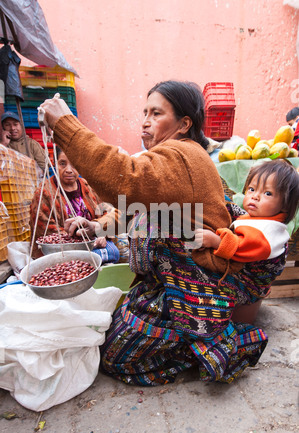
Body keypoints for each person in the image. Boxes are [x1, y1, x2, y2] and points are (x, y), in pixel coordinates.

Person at [39, 80, 287, 386]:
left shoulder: (182, 155)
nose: (145, 121)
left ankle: (206, 345)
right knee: (117, 330)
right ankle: (172, 319)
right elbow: (133, 203)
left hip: (203, 282)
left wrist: (66, 124)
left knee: (117, 358)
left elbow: (126, 179)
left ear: (184, 124)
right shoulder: (172, 158)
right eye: (144, 112)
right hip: (174, 278)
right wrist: (96, 226)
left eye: (156, 113)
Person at [195, 159, 299, 264]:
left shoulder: (267, 232)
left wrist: (215, 241)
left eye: (267, 193)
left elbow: (241, 248)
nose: (255, 196)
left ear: (285, 205)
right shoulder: (259, 217)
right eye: (252, 189)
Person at [30, 147, 120, 263]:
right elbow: (46, 234)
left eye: (74, 165)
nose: (69, 170)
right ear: (54, 163)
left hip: (94, 243)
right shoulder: (44, 193)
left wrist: (101, 233)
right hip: (64, 250)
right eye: (62, 164)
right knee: (90, 259)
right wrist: (87, 241)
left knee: (113, 252)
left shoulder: (87, 186)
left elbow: (104, 214)